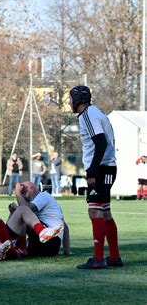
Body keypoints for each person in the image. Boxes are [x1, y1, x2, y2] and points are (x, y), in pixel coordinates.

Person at [69, 85, 122, 269]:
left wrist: (92, 171)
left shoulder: (88, 115)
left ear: (77, 100)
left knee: (95, 211)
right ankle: (114, 257)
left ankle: (98, 258)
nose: (69, 102)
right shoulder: (95, 112)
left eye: (70, 98)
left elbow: (100, 143)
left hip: (101, 168)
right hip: (107, 167)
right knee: (105, 212)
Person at [7, 182, 69, 257]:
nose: (22, 195)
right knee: (21, 213)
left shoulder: (42, 196)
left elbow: (25, 208)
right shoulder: (50, 211)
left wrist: (17, 193)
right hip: (52, 246)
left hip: (48, 241)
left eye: (24, 191)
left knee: (22, 209)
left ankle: (6, 244)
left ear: (32, 189)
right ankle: (15, 246)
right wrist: (67, 252)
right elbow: (65, 227)